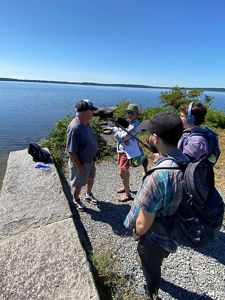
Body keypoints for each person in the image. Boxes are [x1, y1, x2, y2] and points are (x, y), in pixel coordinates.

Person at [124, 112, 189, 300]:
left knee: (151, 267)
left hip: (156, 238)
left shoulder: (157, 176)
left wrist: (136, 234)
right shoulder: (187, 162)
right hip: (177, 229)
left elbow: (143, 224)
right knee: (159, 257)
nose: (149, 136)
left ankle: (152, 292)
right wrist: (162, 156)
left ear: (156, 138)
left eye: (151, 133)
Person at [66, 99, 99, 211]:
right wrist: (79, 167)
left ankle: (88, 194)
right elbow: (71, 151)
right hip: (81, 162)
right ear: (85, 112)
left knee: (91, 177)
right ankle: (76, 199)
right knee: (78, 183)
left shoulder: (85, 122)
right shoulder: (75, 128)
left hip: (90, 160)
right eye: (92, 111)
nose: (93, 113)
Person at [113, 103, 145, 202]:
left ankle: (128, 195)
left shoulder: (135, 124)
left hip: (127, 151)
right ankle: (126, 187)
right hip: (122, 150)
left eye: (132, 112)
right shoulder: (128, 122)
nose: (129, 114)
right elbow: (122, 135)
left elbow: (122, 137)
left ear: (136, 114)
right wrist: (120, 134)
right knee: (125, 171)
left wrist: (115, 131)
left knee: (122, 172)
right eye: (128, 112)